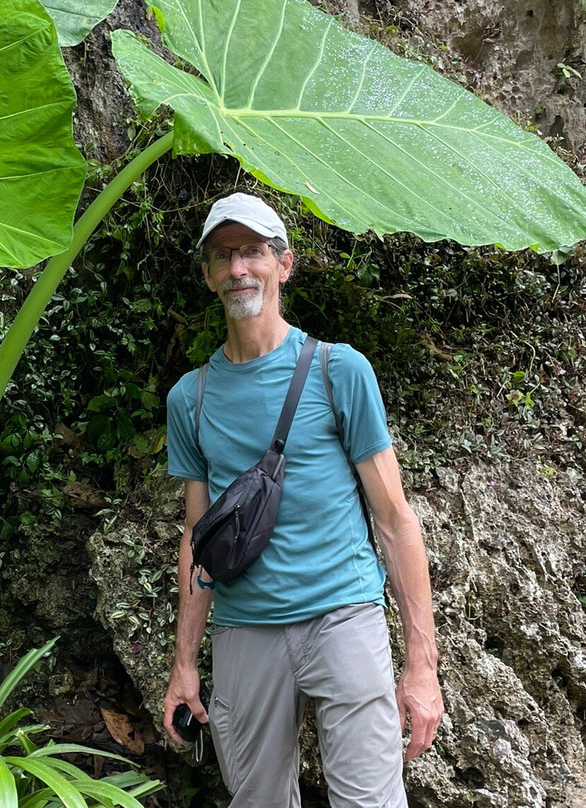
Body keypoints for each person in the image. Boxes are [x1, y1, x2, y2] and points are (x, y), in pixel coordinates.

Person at [163, 192, 443, 807]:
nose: (239, 268)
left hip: (343, 616)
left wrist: (421, 663)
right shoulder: (192, 398)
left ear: (283, 264)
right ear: (209, 275)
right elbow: (197, 538)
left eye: (253, 252)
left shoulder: (338, 371)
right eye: (223, 255)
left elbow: (395, 520)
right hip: (243, 633)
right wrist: (185, 662)